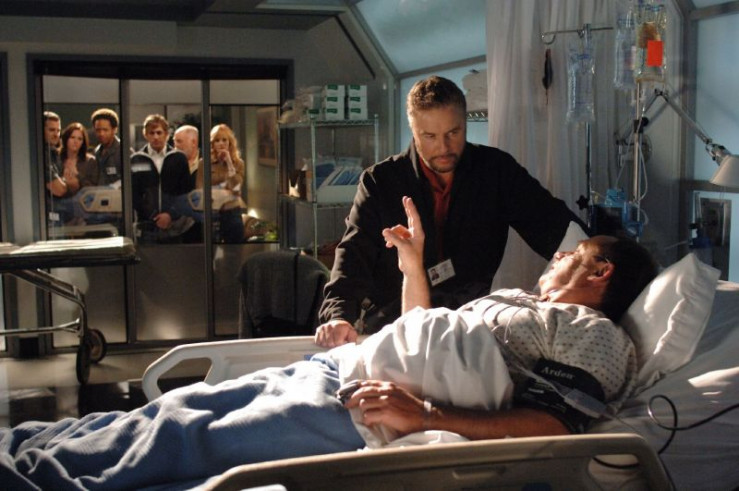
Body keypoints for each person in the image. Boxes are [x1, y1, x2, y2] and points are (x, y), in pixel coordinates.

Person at [0, 197, 657, 490]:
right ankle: (25, 450)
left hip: (362, 407)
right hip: (342, 366)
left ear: (599, 271)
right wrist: (412, 266)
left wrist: (425, 415)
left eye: (570, 254)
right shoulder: (521, 303)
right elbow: (423, 331)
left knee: (185, 438)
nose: (556, 257)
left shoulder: (596, 337)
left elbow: (555, 426)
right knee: (172, 412)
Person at [315, 76, 586, 347]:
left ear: (465, 124)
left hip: (466, 324)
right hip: (391, 323)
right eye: (430, 136)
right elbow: (354, 255)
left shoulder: (495, 171)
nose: (444, 148)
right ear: (413, 130)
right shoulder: (381, 181)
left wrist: (596, 268)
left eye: (453, 133)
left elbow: (555, 227)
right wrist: (339, 316)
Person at [130, 114, 194, 243]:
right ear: (145, 135)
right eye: (151, 133)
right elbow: (134, 194)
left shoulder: (179, 158)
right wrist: (152, 216)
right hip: (146, 225)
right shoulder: (137, 159)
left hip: (174, 225)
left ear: (166, 134)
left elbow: (185, 192)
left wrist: (170, 215)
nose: (155, 137)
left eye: (159, 132)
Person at [194, 123, 246, 243]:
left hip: (233, 213)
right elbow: (200, 190)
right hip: (212, 212)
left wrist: (229, 163)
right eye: (217, 140)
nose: (221, 143)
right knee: (213, 250)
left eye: (224, 140)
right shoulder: (203, 163)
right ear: (212, 143)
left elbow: (236, 189)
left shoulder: (238, 163)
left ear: (230, 143)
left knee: (234, 250)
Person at [91, 108, 122, 187]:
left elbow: (131, 179)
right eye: (98, 130)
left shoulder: (123, 152)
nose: (101, 134)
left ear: (114, 130)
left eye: (105, 130)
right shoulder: (96, 152)